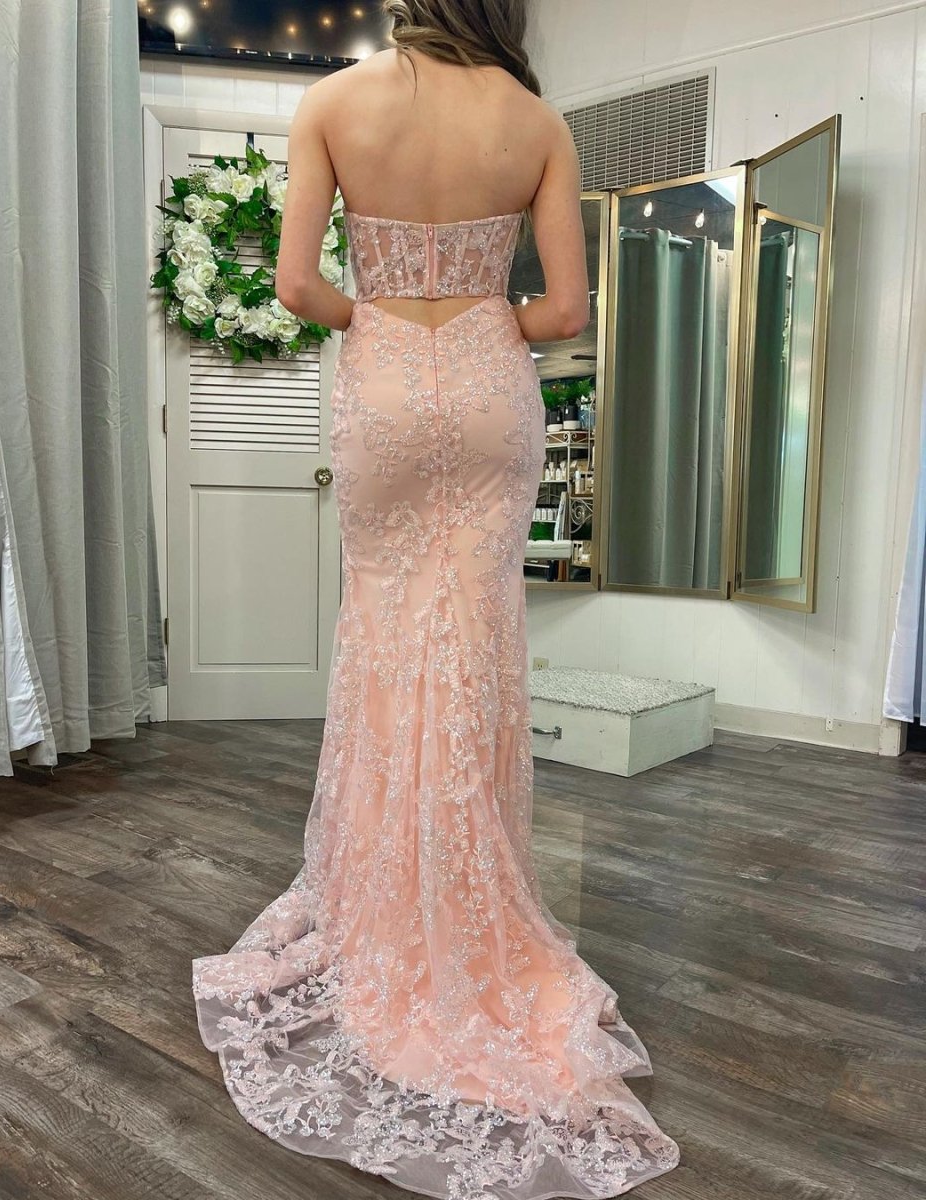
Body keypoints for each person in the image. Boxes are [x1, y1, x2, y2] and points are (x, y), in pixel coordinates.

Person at [191, 3, 681, 1196]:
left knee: (384, 637)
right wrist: (479, 328)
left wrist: (384, 327)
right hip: (487, 387)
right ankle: (465, 906)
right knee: (477, 645)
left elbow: (298, 284)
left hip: (386, 390)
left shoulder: (332, 102)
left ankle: (385, 902)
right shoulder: (535, 122)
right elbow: (565, 314)